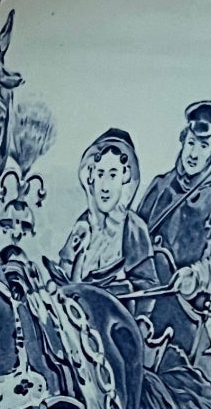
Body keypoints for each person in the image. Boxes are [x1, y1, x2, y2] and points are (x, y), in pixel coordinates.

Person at [135, 100, 211, 380]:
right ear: (183, 140)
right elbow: (132, 238)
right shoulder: (160, 186)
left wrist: (198, 275)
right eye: (191, 143)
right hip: (142, 306)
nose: (194, 153)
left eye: (203, 146)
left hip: (185, 314)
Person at [56, 128, 159, 300]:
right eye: (100, 174)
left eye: (112, 175)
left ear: (125, 177)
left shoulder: (133, 227)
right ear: (91, 176)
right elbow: (63, 276)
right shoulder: (82, 225)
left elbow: (147, 289)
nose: (105, 187)